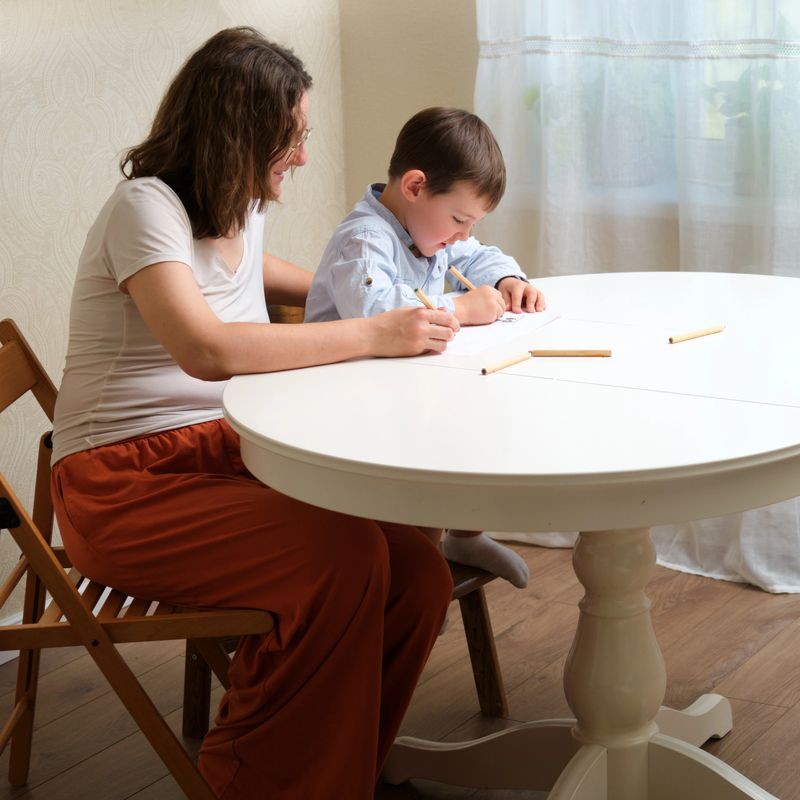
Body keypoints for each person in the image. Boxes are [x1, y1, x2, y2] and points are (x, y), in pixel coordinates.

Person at [49, 27, 460, 800]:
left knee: (416, 571)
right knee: (344, 562)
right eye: (293, 136)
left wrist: (386, 295)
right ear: (239, 129)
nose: (303, 155)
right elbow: (204, 348)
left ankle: (340, 773)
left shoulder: (234, 206)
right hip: (125, 483)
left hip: (228, 453)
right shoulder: (145, 208)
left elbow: (268, 275)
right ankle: (256, 781)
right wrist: (373, 331)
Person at [305, 107, 547, 589]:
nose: (462, 235)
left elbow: (478, 254)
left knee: (484, 421)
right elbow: (374, 308)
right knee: (436, 447)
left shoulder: (428, 232)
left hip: (405, 388)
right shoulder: (365, 238)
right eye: (459, 219)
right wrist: (460, 306)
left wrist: (507, 278)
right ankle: (415, 572)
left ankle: (463, 533)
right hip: (345, 404)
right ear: (415, 187)